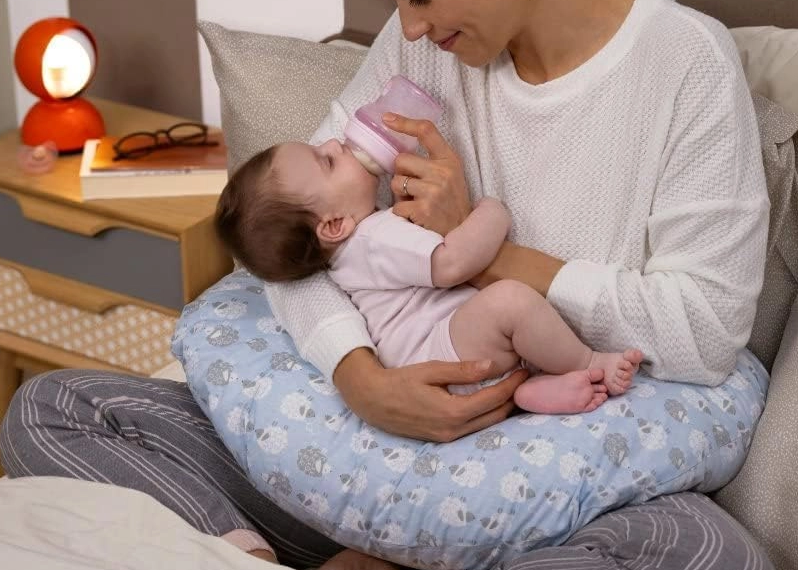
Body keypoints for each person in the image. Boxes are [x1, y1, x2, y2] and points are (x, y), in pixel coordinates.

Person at [1, 0, 781, 570]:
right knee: (53, 408)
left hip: (547, 478)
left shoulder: (685, 67)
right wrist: (360, 377)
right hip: (369, 460)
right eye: (397, 3)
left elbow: (705, 331)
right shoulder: (426, 51)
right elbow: (301, 240)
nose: (408, 29)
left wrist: (488, 255)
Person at [214, 138, 644, 414]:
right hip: (439, 353)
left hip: (437, 362)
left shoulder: (348, 253)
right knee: (510, 301)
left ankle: (532, 389)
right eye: (327, 161)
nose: (334, 142)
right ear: (334, 225)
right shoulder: (373, 237)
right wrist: (491, 211)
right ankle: (590, 363)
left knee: (501, 315)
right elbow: (451, 263)